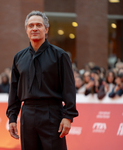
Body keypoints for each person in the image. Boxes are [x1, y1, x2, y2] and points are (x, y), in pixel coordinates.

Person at [6, 11, 78, 150]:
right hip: (27, 113)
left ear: (46, 29)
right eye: (31, 25)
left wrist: (68, 116)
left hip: (52, 113)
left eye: (38, 25)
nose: (34, 28)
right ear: (26, 30)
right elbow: (14, 90)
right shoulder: (19, 57)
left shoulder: (60, 55)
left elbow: (69, 88)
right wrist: (12, 118)